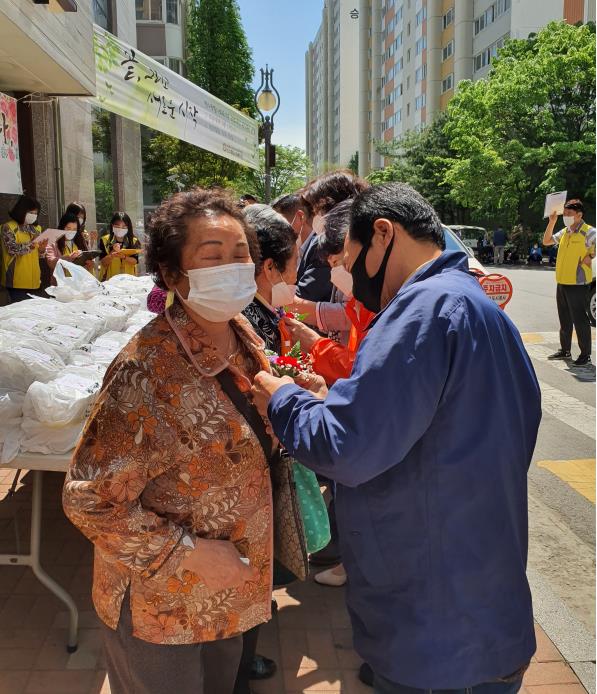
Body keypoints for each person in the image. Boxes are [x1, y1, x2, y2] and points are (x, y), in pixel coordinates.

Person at [251, 182, 542, 693]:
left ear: (383, 234)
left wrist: (282, 399)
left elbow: (346, 447)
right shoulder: (474, 306)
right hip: (480, 606)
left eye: (350, 257)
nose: (349, 278)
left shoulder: (421, 311)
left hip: (434, 628)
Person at [63, 188, 274, 694]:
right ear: (174, 274)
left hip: (229, 591)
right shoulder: (146, 372)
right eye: (213, 255)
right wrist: (189, 552)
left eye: (241, 252)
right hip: (164, 606)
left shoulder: (242, 337)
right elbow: (88, 499)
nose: (233, 265)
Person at [543, 198, 595, 366]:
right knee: (564, 319)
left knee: (580, 319)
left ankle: (585, 354)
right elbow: (547, 241)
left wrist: (591, 255)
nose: (565, 216)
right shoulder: (565, 232)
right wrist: (551, 222)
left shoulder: (589, 232)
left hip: (578, 283)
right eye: (564, 213)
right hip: (562, 282)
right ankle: (565, 350)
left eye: (568, 214)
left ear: (579, 215)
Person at [242, 204, 298, 352]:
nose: (296, 277)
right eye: (295, 263)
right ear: (270, 267)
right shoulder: (249, 329)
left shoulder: (254, 307)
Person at [1, 194, 47, 302]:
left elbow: (40, 255)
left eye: (36, 213)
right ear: (21, 211)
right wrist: (30, 245)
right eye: (31, 212)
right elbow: (12, 249)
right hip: (16, 281)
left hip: (35, 280)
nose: (33, 215)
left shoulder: (37, 229)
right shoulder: (8, 227)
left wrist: (42, 249)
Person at [99, 212, 141, 280]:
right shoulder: (104, 240)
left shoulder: (134, 241)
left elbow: (135, 261)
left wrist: (123, 257)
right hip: (110, 281)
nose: (120, 229)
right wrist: (112, 253)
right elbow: (103, 263)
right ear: (112, 225)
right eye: (117, 226)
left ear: (128, 227)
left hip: (129, 281)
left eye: (124, 227)